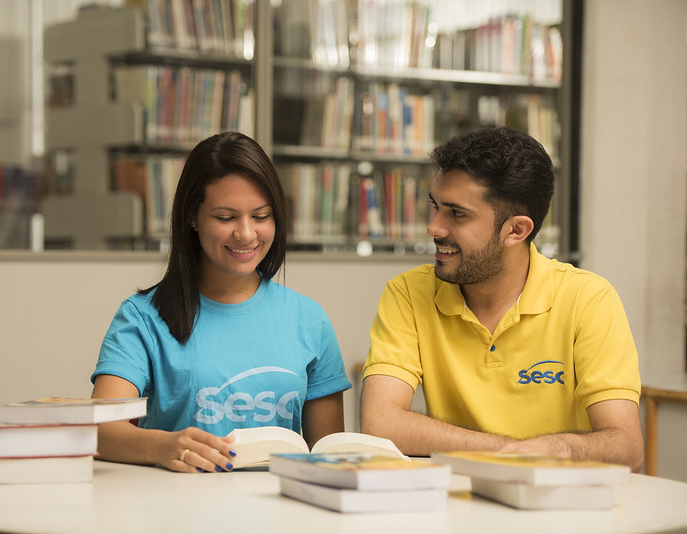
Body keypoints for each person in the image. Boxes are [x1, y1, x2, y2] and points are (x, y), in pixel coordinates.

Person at [360, 126, 644, 471]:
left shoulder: (589, 299)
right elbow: (380, 423)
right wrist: (520, 452)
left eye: (457, 214)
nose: (433, 227)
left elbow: (626, 445)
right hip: (458, 508)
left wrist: (561, 449)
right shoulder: (407, 293)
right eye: (435, 206)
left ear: (516, 230)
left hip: (559, 513)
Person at [91, 131, 351, 473]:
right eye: (226, 217)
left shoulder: (309, 319)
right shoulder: (142, 317)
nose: (246, 234)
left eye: (261, 216)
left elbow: (328, 453)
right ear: (192, 218)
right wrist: (165, 445)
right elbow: (97, 431)